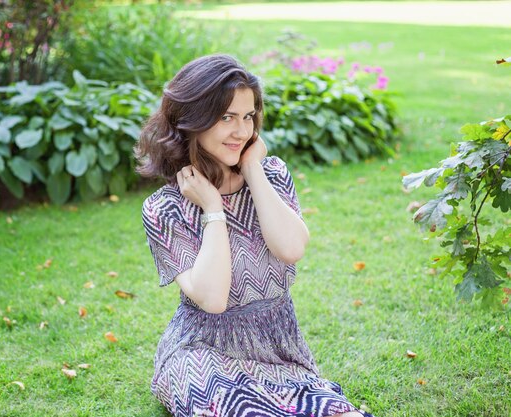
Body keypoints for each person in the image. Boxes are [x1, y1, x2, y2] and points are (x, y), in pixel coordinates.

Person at [135, 54, 373, 417]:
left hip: (277, 348)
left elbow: (292, 248)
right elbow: (212, 299)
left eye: (248, 117)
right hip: (200, 354)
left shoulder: (271, 174)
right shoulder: (165, 209)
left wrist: (252, 170)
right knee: (237, 408)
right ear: (192, 119)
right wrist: (213, 209)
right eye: (226, 117)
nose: (242, 131)